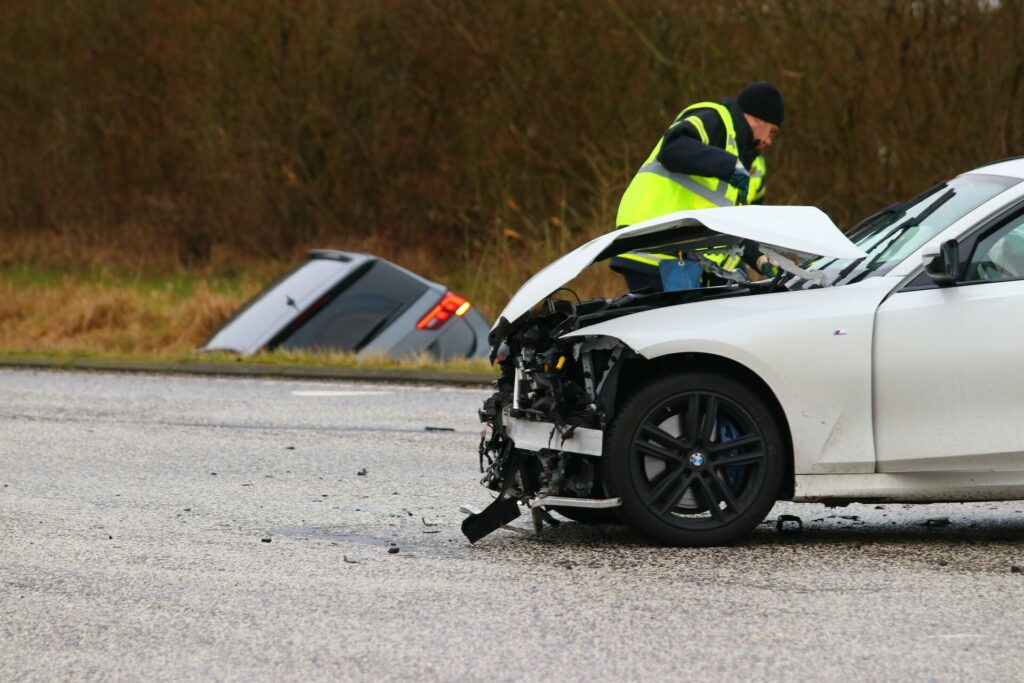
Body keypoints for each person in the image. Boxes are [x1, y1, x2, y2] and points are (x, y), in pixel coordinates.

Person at [612, 81, 785, 290]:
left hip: (674, 249)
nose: (769, 141)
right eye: (771, 131)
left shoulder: (737, 152)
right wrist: (729, 165)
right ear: (757, 118)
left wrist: (758, 257)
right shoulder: (717, 119)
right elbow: (673, 148)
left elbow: (728, 224)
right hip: (654, 240)